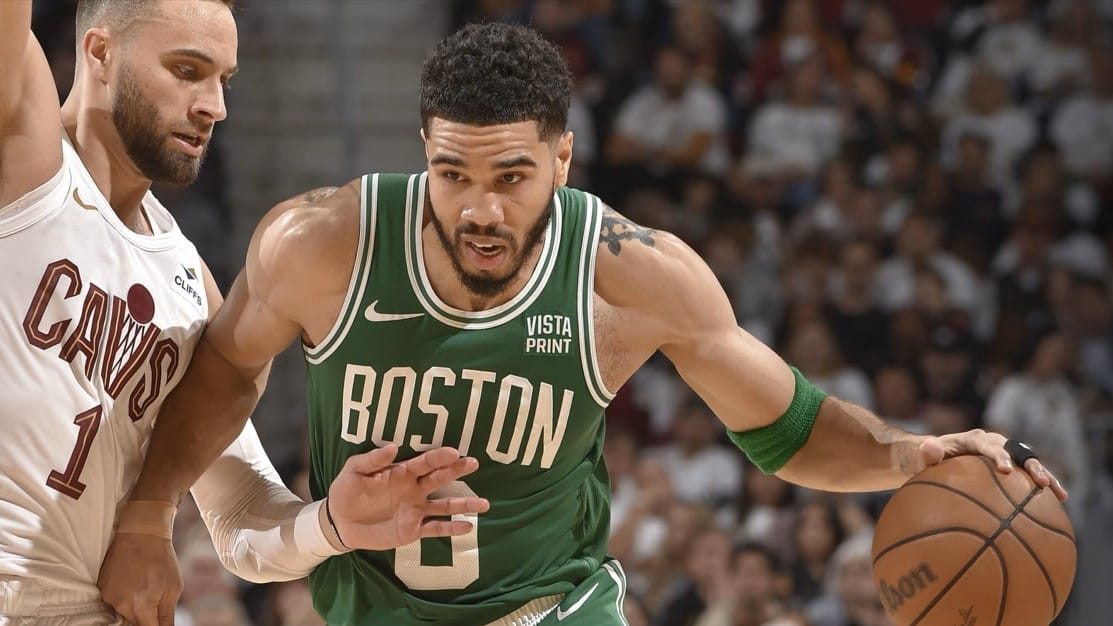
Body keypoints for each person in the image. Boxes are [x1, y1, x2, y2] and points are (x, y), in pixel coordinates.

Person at [98, 22, 1067, 626]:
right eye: (453, 173)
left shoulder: (632, 275)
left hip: (551, 610)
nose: (480, 209)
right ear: (423, 149)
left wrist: (908, 455)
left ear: (563, 159)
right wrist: (145, 514)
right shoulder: (322, 243)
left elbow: (786, 427)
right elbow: (222, 374)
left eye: (512, 176)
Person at [0, 2, 487, 624]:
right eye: (186, 70)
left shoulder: (191, 289)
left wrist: (333, 523)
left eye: (223, 80)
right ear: (99, 53)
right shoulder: (25, 155)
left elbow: (238, 516)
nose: (214, 107)